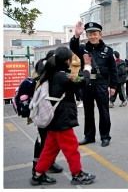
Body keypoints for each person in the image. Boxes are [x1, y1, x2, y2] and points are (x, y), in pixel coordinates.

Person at [30, 46, 96, 186]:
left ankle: (38, 174)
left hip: (53, 118)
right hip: (62, 119)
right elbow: (82, 80)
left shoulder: (51, 72)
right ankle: (77, 174)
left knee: (49, 150)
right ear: (67, 60)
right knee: (71, 149)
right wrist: (88, 66)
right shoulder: (62, 76)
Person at [70, 21, 118, 147]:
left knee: (104, 111)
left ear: (100, 35)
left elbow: (114, 70)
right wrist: (76, 36)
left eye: (95, 34)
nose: (92, 36)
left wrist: (113, 86)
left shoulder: (108, 51)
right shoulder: (82, 49)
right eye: (90, 34)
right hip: (87, 84)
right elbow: (73, 48)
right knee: (88, 111)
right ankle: (89, 136)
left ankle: (105, 136)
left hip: (101, 84)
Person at [31, 50, 64, 179]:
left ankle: (48, 164)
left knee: (48, 141)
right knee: (43, 141)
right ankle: (37, 170)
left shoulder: (46, 71)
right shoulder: (46, 74)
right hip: (43, 113)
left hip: (47, 113)